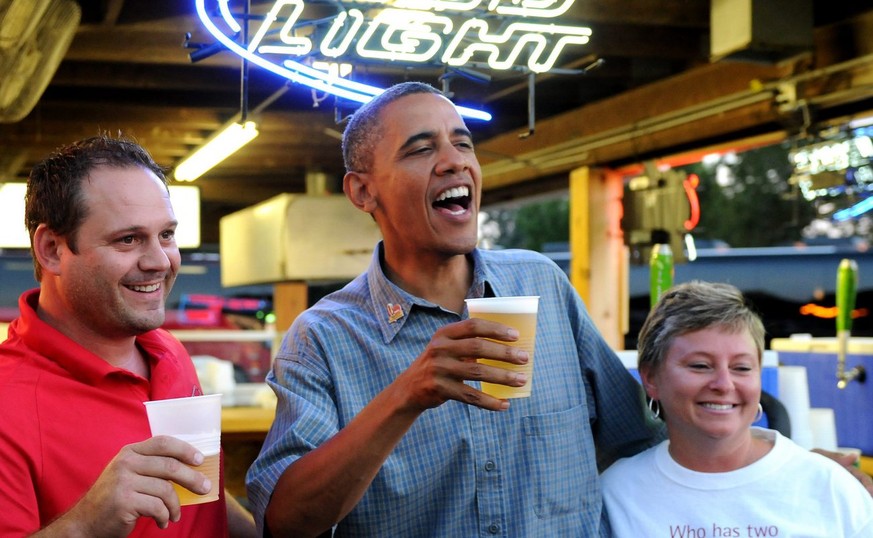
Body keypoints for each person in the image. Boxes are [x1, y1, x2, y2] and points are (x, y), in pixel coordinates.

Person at [246, 81, 665, 537]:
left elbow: (642, 440)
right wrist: (404, 397)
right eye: (421, 149)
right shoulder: (322, 338)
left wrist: (746, 438)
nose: (455, 161)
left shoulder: (541, 283)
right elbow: (285, 523)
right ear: (363, 192)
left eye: (463, 143)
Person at [0, 135, 257, 537]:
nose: (159, 261)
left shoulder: (167, 350)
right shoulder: (7, 400)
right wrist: (84, 526)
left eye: (166, 235)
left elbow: (202, 498)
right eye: (128, 239)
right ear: (51, 249)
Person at [601, 281, 873, 537]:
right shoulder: (617, 493)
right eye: (700, 365)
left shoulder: (829, 486)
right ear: (650, 378)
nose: (723, 384)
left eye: (741, 367)